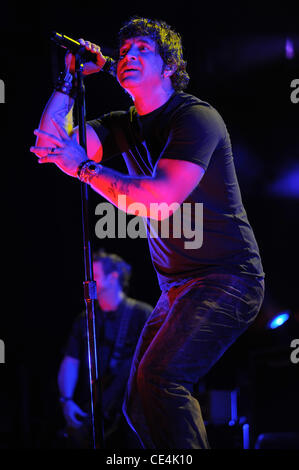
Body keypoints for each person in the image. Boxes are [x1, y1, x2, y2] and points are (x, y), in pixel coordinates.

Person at [31, 16, 265, 449]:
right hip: (178, 286)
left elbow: (158, 199)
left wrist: (84, 168)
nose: (128, 57)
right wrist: (68, 79)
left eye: (142, 50)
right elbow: (49, 142)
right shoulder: (122, 124)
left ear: (169, 67)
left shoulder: (195, 118)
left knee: (160, 377)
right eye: (123, 53)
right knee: (139, 401)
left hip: (228, 278)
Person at [57, 250, 152, 448]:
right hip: (96, 413)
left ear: (113, 277)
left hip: (134, 416)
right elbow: (70, 361)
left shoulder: (141, 313)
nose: (89, 281)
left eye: (95, 275)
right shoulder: (85, 318)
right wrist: (66, 400)